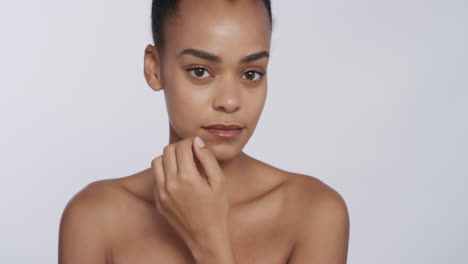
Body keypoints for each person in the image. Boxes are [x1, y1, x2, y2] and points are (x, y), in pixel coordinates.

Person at [58, 0, 350, 263]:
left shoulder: (315, 214)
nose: (229, 101)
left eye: (251, 74)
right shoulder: (93, 219)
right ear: (154, 68)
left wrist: (210, 242)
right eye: (200, 71)